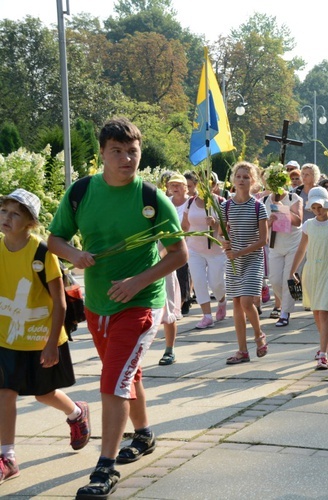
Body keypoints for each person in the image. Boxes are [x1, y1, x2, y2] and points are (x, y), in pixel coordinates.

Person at [48, 117, 187, 499]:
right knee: (128, 374)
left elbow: (179, 253)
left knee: (113, 381)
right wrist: (75, 254)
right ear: (102, 155)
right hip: (96, 305)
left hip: (141, 305)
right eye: (118, 152)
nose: (127, 159)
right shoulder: (81, 192)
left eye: (133, 151)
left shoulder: (152, 198)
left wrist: (139, 281)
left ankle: (104, 468)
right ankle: (143, 434)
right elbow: (54, 238)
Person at [0, 189, 91, 485]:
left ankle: (77, 413)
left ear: (30, 222)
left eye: (15, 214)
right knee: (5, 394)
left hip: (41, 337)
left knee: (43, 393)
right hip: (7, 338)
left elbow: (60, 302)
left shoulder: (42, 253)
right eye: (4, 211)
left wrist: (52, 343)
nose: (7, 218)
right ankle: (7, 457)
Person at [221, 162, 269, 365]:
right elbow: (220, 233)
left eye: (246, 177)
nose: (242, 180)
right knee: (236, 304)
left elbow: (263, 240)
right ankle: (242, 350)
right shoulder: (226, 206)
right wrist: (223, 242)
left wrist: (240, 251)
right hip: (233, 261)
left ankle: (259, 335)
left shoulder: (259, 206)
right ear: (233, 180)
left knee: (247, 302)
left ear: (253, 181)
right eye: (239, 176)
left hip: (252, 259)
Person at [290, 187, 328, 369]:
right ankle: (326, 342)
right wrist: (292, 270)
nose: (318, 210)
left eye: (321, 206)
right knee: (316, 312)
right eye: (315, 207)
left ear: (327, 205)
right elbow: (302, 249)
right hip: (311, 270)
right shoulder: (309, 225)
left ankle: (323, 354)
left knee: (324, 311)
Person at [180, 180, 228, 331]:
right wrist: (180, 240)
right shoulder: (190, 202)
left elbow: (225, 229)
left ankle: (222, 301)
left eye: (207, 184)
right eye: (199, 184)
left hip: (216, 250)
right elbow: (185, 225)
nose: (203, 187)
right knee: (199, 281)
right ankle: (207, 316)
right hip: (194, 249)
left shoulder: (220, 202)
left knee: (216, 283)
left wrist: (214, 224)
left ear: (214, 186)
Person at [263, 167, 303, 327]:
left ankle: (285, 312)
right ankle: (291, 298)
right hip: (275, 245)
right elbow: (263, 224)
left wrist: (281, 208)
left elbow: (298, 220)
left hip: (293, 244)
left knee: (289, 279)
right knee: (274, 279)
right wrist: (269, 222)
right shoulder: (266, 201)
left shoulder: (294, 198)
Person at [167, 174, 192, 316]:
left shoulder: (190, 202)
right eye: (172, 185)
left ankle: (183, 301)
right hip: (168, 244)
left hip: (186, 243)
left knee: (182, 273)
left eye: (178, 185)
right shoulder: (166, 202)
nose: (175, 188)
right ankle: (176, 303)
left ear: (185, 187)